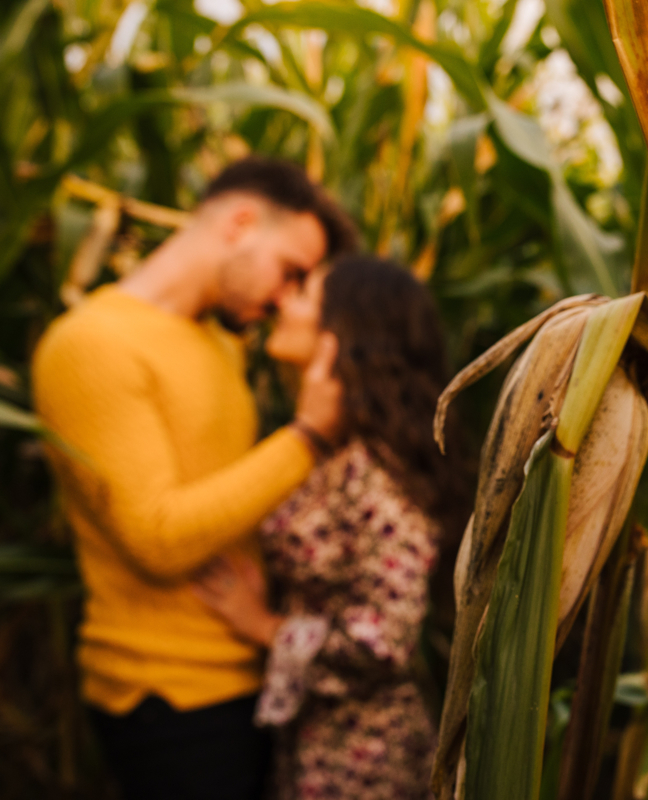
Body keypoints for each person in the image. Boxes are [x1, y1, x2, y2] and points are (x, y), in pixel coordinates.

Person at [32, 158, 358, 800]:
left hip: (244, 678)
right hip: (168, 698)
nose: (285, 298)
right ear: (240, 223)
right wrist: (309, 435)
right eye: (290, 270)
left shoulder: (217, 344)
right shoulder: (93, 345)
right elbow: (159, 539)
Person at [191, 255, 473, 800]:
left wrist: (267, 628)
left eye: (303, 295)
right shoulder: (328, 452)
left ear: (342, 333)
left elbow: (384, 639)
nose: (282, 303)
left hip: (361, 756)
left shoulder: (376, 470)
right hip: (313, 737)